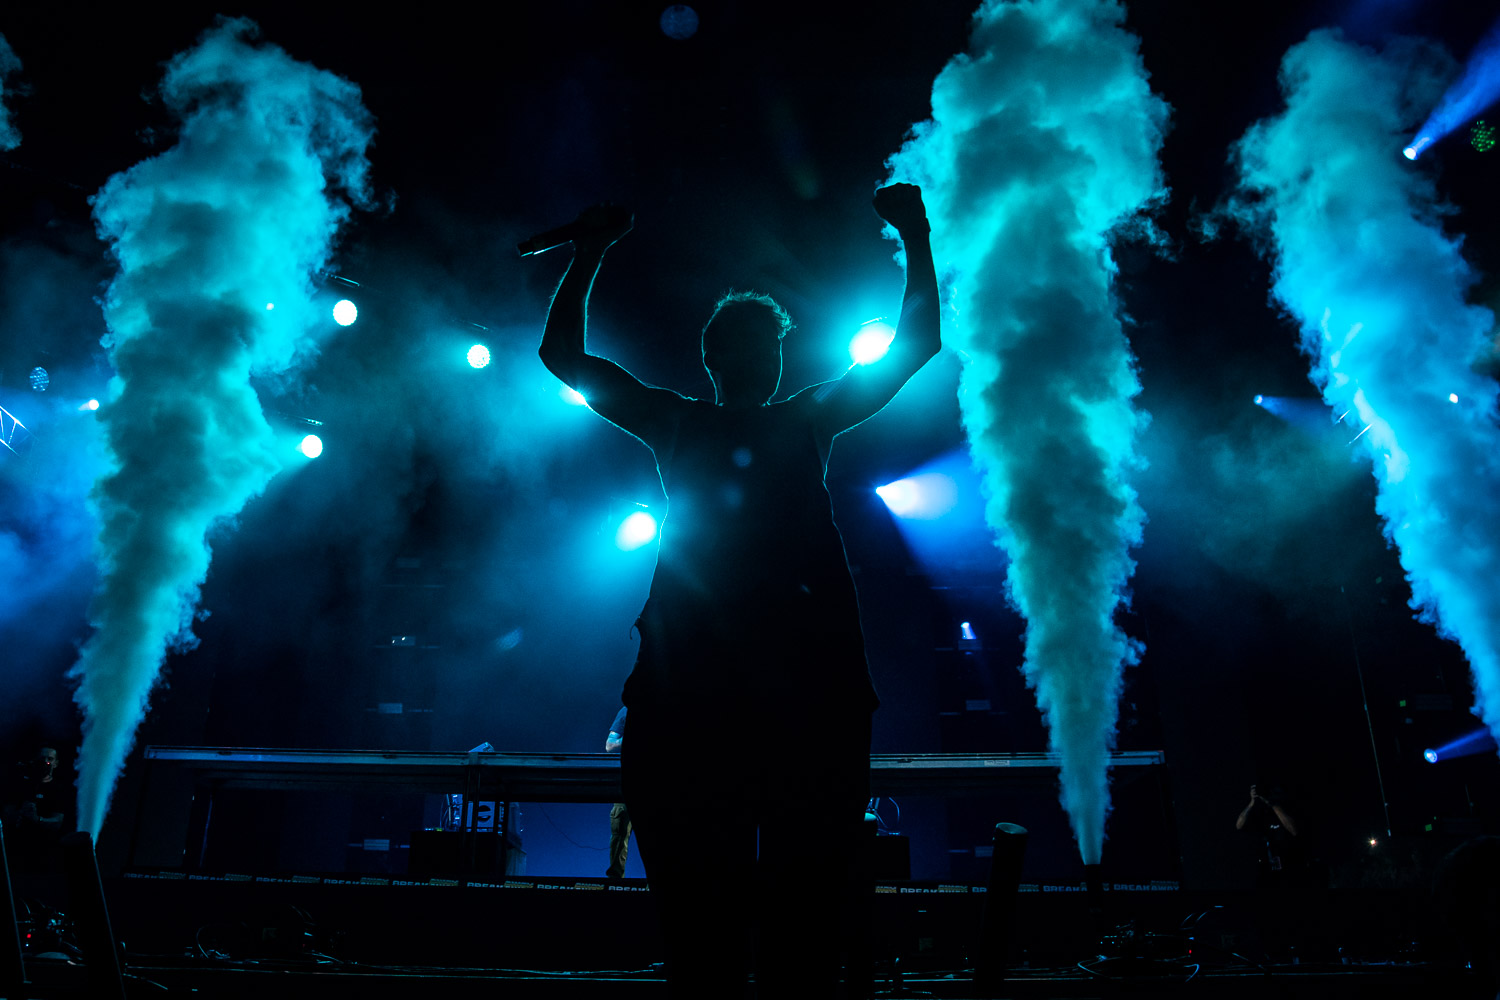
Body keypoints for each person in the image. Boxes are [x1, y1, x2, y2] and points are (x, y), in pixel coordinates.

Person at [539, 183, 939, 997]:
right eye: (756, 349)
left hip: (725, 694)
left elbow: (566, 361)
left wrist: (590, 254)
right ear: (723, 359)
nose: (766, 362)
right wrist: (913, 235)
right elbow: (915, 344)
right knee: (761, 928)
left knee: (732, 927)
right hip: (777, 692)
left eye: (769, 349)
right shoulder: (779, 420)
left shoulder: (709, 421)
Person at [1235, 783, 1301, 888]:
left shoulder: (1292, 810)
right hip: (1268, 873)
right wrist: (1252, 802)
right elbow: (1239, 825)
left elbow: (1294, 830)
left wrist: (1273, 804)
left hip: (1290, 873)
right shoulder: (1265, 815)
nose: (1273, 796)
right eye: (1272, 793)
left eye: (1277, 793)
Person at [604, 706, 632, 879]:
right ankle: (616, 880)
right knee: (620, 832)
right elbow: (610, 745)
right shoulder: (626, 711)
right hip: (627, 782)